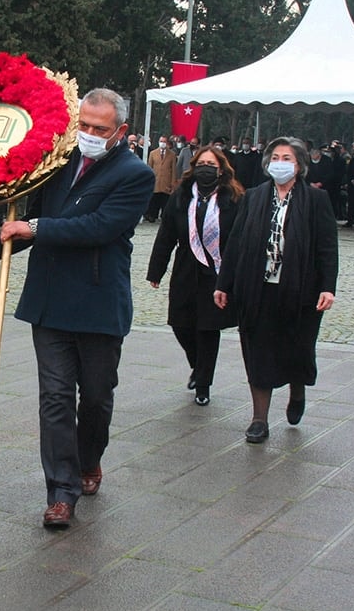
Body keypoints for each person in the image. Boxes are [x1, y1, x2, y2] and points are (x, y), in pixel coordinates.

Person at [0, 88, 154, 529]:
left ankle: (89, 459)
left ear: (120, 131)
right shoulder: (56, 164)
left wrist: (36, 226)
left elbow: (99, 226)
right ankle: (61, 493)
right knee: (56, 399)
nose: (88, 134)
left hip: (100, 304)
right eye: (83, 125)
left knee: (96, 399)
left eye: (99, 129)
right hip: (50, 302)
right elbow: (26, 229)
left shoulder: (135, 173)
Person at [214, 136, 338, 444]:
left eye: (287, 158)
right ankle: (259, 418)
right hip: (257, 288)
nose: (280, 163)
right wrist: (223, 284)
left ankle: (297, 390)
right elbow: (235, 244)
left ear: (299, 166)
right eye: (276, 157)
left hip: (300, 292)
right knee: (257, 352)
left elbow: (327, 248)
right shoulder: (254, 197)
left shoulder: (315, 200)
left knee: (297, 349)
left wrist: (328, 287)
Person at [147, 145, 243, 406]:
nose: (205, 169)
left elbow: (240, 239)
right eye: (201, 164)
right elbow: (166, 234)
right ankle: (197, 365)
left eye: (211, 165)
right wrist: (156, 269)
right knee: (181, 324)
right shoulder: (181, 196)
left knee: (208, 329)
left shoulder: (232, 198)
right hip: (186, 269)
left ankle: (203, 384)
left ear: (221, 169)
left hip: (217, 272)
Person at [143, 135, 179, 222]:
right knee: (154, 200)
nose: (162, 143)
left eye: (164, 141)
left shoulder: (172, 154)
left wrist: (173, 183)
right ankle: (152, 215)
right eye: (161, 141)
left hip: (166, 182)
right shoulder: (153, 153)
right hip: (156, 181)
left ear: (167, 143)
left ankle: (164, 216)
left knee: (165, 201)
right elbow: (149, 167)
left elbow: (174, 169)